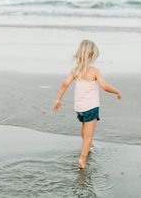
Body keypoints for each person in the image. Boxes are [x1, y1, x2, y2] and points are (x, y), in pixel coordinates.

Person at [52, 39, 121, 169]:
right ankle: (82, 160)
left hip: (79, 108)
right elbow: (105, 87)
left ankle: (87, 147)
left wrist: (58, 99)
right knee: (89, 136)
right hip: (91, 107)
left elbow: (65, 84)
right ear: (91, 56)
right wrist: (117, 91)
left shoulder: (75, 70)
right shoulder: (94, 71)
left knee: (84, 128)